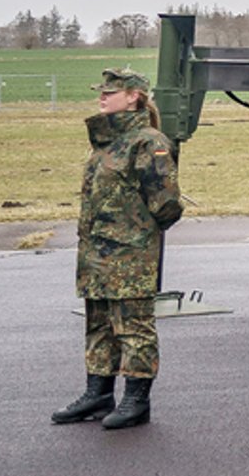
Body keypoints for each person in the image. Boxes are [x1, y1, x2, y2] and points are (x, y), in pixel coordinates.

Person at [52, 68, 182, 430]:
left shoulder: (147, 142)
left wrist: (136, 235)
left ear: (134, 97)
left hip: (129, 254)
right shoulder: (105, 143)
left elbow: (166, 203)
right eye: (102, 91)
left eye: (111, 92)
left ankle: (136, 400)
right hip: (97, 253)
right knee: (99, 325)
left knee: (134, 327)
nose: (102, 97)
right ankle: (98, 392)